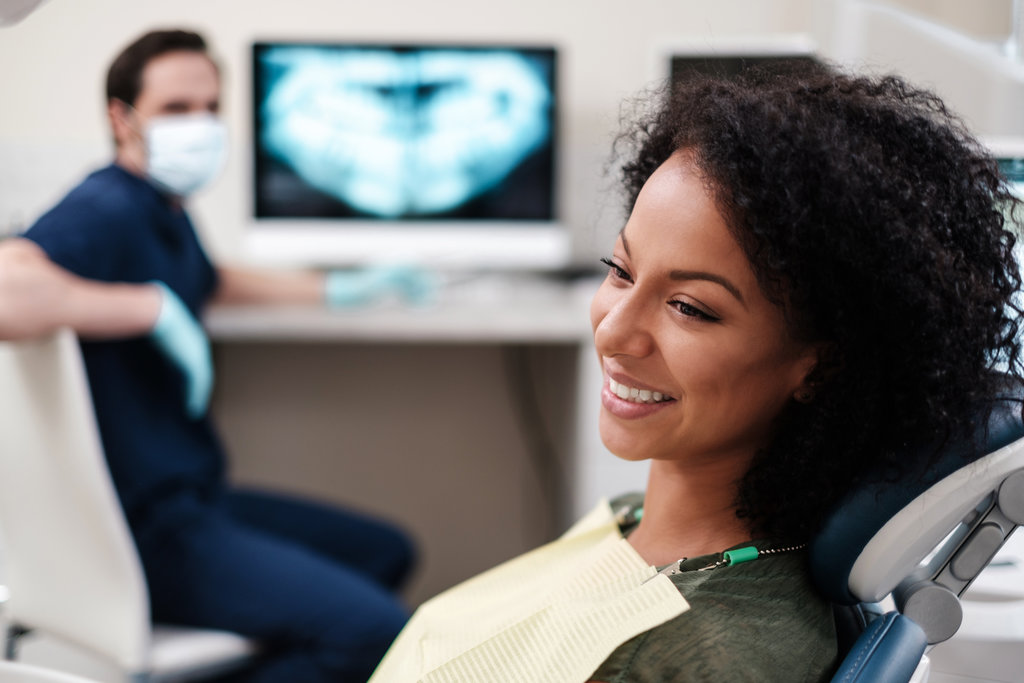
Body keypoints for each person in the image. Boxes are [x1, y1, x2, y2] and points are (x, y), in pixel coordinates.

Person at [367, 64, 1024, 682]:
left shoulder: (702, 657)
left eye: (689, 307)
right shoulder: (634, 521)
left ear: (823, 364)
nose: (613, 330)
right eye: (620, 269)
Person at [0, 29, 421, 682]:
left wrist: (335, 287)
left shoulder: (164, 210)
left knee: (385, 552)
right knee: (374, 632)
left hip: (195, 501)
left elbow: (210, 277)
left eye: (210, 108)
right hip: (143, 530)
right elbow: (6, 288)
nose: (198, 126)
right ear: (121, 117)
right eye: (176, 109)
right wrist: (149, 308)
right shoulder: (107, 206)